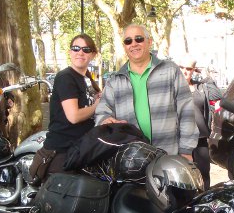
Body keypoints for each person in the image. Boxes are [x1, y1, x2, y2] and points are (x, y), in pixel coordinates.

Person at [28, 33, 102, 213]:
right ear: (69, 51)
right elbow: (73, 116)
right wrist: (98, 105)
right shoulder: (65, 77)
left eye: (86, 49)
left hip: (83, 151)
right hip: (62, 152)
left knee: (80, 210)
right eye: (76, 48)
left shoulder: (87, 79)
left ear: (93, 54)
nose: (80, 52)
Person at [95, 24, 198, 160]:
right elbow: (101, 112)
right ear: (124, 46)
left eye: (139, 39)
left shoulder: (170, 71)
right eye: (128, 41)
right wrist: (104, 120)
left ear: (149, 42)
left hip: (168, 156)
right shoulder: (115, 81)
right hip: (130, 160)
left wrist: (186, 150)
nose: (133, 44)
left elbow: (187, 112)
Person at [178, 55, 222, 189]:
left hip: (200, 139)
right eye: (181, 67)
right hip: (180, 140)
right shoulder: (172, 88)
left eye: (188, 68)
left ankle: (203, 198)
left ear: (193, 70)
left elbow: (217, 96)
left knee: (204, 175)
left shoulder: (200, 87)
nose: (184, 71)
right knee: (183, 177)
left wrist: (205, 75)